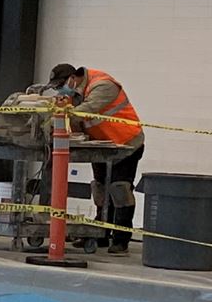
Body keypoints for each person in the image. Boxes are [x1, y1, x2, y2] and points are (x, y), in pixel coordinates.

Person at [48, 63, 145, 250]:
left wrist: (58, 115)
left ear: (73, 78)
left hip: (126, 143)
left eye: (61, 85)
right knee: (100, 189)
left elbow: (85, 111)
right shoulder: (76, 91)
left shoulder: (103, 85)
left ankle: (120, 238)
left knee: (119, 189)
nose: (62, 89)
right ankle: (100, 234)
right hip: (103, 144)